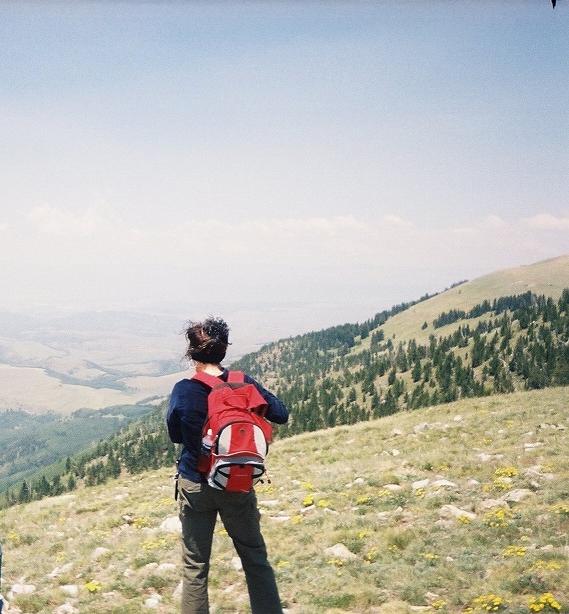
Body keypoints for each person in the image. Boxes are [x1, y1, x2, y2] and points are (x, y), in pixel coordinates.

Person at [166, 317, 288, 614]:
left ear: (192, 353)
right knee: (254, 557)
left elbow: (175, 435)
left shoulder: (185, 389)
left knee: (195, 566)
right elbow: (281, 414)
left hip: (196, 482)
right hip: (236, 480)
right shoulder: (242, 381)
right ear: (223, 350)